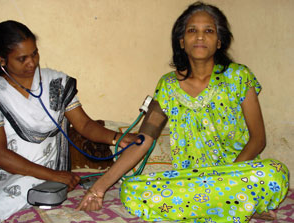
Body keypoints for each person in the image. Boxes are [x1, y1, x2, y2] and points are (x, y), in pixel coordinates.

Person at [77, 2, 289, 222]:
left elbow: (258, 140)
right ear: (181, 41)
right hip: (191, 180)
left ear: (219, 42)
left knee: (276, 172)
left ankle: (221, 202)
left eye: (208, 30)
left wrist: (224, 177)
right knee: (130, 191)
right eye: (192, 31)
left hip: (237, 176)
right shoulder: (167, 86)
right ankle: (235, 205)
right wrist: (99, 188)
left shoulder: (239, 77)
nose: (199, 36)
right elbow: (144, 140)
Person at [0, 20, 138, 223]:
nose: (32, 63)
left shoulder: (55, 83)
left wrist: (118, 138)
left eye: (34, 54)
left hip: (44, 176)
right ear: (1, 60)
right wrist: (55, 176)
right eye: (22, 59)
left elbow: (84, 125)